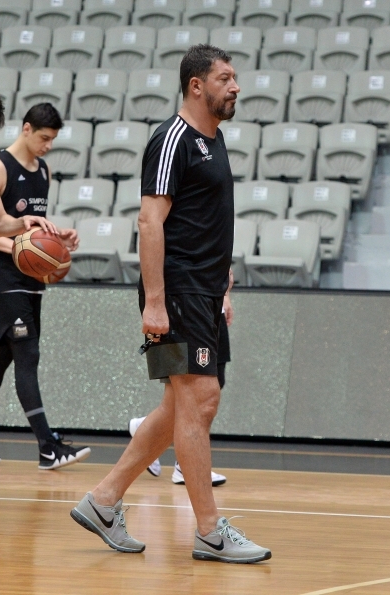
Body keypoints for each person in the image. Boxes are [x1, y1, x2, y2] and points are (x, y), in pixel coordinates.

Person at [69, 44, 271, 564]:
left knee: (178, 406)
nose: (236, 87)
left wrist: (222, 278)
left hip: (203, 291)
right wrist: (155, 302)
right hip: (175, 293)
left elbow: (205, 218)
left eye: (235, 78)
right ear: (196, 85)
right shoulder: (171, 139)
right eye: (226, 78)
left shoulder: (215, 140)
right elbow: (150, 221)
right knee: (200, 400)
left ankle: (104, 500)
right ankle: (209, 531)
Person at [0, 103, 89, 471]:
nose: (48, 146)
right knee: (27, 355)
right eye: (44, 138)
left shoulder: (43, 169)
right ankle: (48, 446)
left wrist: (58, 238)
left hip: (31, 281)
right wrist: (21, 247)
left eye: (52, 140)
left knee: (0, 360)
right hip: (2, 279)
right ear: (27, 129)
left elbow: (30, 227)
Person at [129, 275, 234, 485]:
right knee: (193, 389)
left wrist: (225, 293)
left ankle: (146, 428)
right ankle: (183, 464)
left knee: (210, 385)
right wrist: (154, 302)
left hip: (211, 297)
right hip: (185, 298)